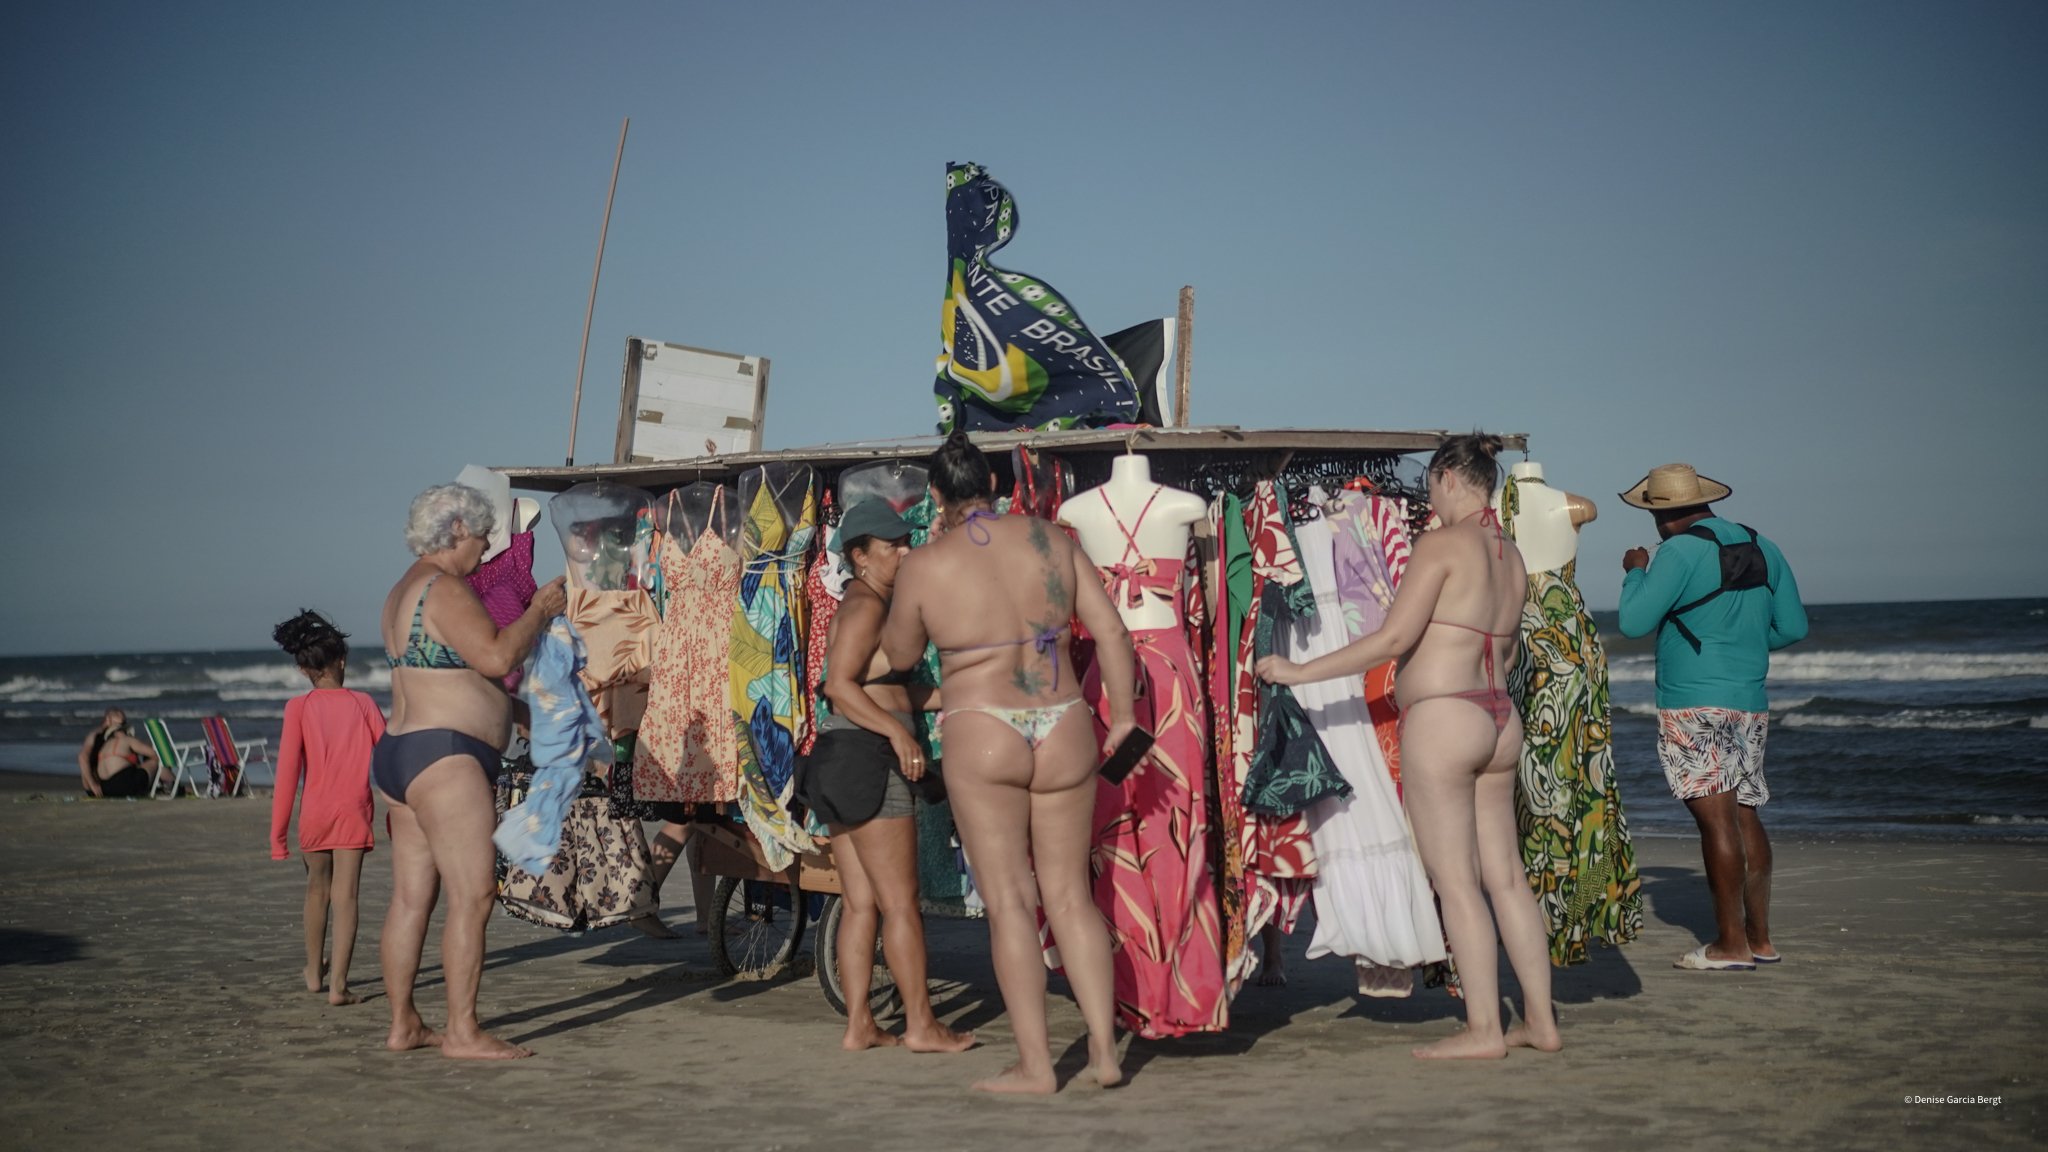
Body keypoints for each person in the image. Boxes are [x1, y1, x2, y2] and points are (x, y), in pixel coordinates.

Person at [1258, 433, 1560, 1059]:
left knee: (1456, 883)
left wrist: (1297, 672)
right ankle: (1541, 1022)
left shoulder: (1441, 545)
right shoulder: (1511, 556)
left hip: (1446, 719)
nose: (1427, 496)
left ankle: (1484, 1031)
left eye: (1429, 484)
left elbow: (1392, 639)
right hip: (1501, 716)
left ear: (1450, 477)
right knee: (1506, 878)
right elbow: (1503, 652)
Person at [881, 429, 1135, 1094]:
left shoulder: (926, 565)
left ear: (937, 495)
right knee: (1070, 896)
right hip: (1063, 723)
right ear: (994, 485)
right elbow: (1111, 630)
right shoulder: (1053, 541)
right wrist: (1128, 717)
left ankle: (1037, 1066)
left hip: (983, 725)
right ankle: (1106, 1054)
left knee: (1011, 903)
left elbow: (902, 655)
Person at [377, 483, 566, 1059]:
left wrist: (518, 715)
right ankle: (462, 1031)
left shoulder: (402, 589)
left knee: (412, 899)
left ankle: (404, 1023)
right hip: (446, 758)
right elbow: (496, 657)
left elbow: (447, 672)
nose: (486, 549)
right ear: (456, 528)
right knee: (474, 894)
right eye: (483, 536)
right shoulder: (445, 587)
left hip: (402, 752)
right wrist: (538, 610)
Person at [1616, 463, 1807, 971]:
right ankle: (1760, 940)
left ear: (1660, 513)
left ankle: (1729, 945)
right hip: (1748, 701)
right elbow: (1793, 626)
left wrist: (1636, 569)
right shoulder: (1764, 545)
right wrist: (1737, 646)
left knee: (1714, 819)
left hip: (1693, 701)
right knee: (1744, 812)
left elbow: (1634, 621)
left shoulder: (1677, 550)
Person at [809, 499, 974, 1055]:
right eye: (890, 546)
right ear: (859, 555)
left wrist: (972, 692)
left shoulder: (867, 602)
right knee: (901, 903)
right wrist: (900, 735)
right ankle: (922, 1026)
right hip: (867, 758)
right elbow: (840, 686)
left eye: (906, 542)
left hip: (839, 758)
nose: (904, 552)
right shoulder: (865, 608)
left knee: (862, 905)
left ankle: (860, 1025)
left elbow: (890, 687)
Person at [270, 610, 384, 1005]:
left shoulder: (297, 709)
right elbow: (387, 759)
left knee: (316, 892)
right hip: (352, 811)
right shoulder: (364, 703)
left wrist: (278, 837)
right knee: (346, 896)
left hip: (314, 814)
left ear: (303, 670)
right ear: (342, 660)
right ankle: (338, 985)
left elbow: (286, 776)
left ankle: (312, 973)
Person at [77, 708, 167, 798]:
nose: (122, 727)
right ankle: (169, 783)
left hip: (105, 784)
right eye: (120, 724)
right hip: (98, 784)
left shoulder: (110, 738)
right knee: (152, 757)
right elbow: (82, 757)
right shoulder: (96, 735)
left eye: (124, 723)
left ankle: (162, 783)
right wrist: (93, 784)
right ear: (108, 720)